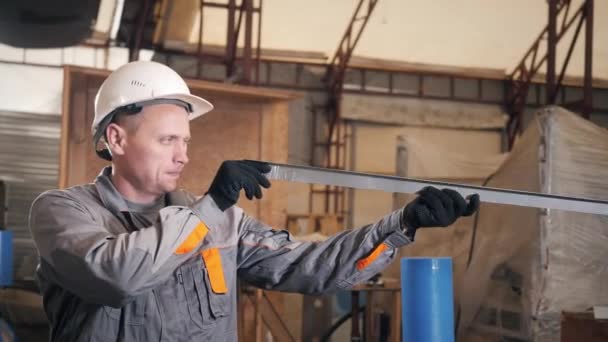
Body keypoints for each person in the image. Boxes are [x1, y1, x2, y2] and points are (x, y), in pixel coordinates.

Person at [29, 61, 479, 342]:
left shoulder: (224, 224)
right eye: (167, 139)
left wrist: (402, 224)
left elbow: (311, 265)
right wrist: (209, 207)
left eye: (185, 139)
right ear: (116, 138)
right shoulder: (64, 213)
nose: (183, 153)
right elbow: (117, 277)